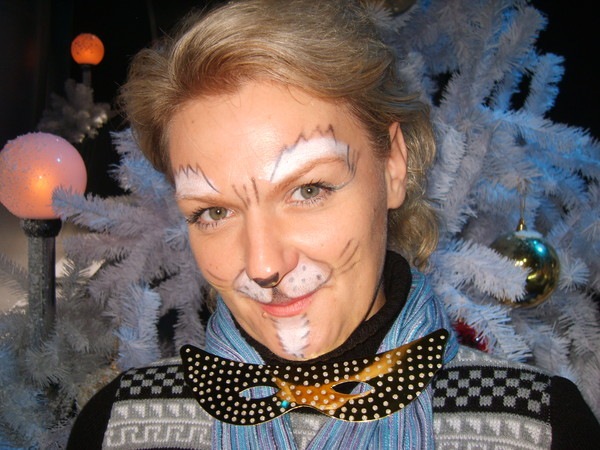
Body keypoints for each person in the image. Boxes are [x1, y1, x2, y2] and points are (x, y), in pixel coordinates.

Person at [67, 0, 600, 448]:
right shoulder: (118, 426)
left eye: (308, 190)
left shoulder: (540, 427)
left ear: (393, 165)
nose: (264, 265)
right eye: (214, 212)